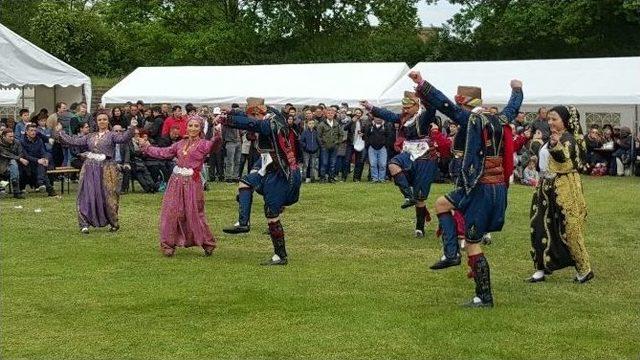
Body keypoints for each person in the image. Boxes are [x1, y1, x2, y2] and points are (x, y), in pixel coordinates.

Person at [409, 70, 523, 307]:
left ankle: (484, 296)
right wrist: (517, 89)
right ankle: (451, 253)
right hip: (495, 187)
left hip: (480, 187)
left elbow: (444, 104)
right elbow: (513, 107)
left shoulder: (471, 120)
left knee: (472, 242)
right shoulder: (501, 120)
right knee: (441, 204)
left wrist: (421, 83)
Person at [221, 98, 302, 266]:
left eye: (252, 113)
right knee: (245, 182)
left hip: (282, 174)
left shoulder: (270, 123)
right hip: (269, 167)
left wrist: (226, 120)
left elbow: (250, 124)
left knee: (272, 215)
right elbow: (249, 117)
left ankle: (280, 256)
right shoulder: (273, 115)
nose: (250, 116)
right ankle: (243, 223)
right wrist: (231, 112)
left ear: (259, 112)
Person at [528, 105, 594, 284]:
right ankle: (540, 268)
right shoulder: (552, 137)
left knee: (570, 228)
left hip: (564, 187)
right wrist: (536, 142)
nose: (550, 122)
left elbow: (564, 156)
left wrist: (555, 145)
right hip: (545, 187)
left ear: (564, 121)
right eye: (548, 119)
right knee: (539, 226)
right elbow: (542, 158)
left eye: (554, 119)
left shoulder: (568, 139)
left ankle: (584, 269)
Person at [139, 115, 222, 256]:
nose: (193, 128)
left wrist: (217, 133)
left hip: (192, 183)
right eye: (190, 125)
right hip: (175, 182)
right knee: (171, 212)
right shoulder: (180, 144)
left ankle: (207, 243)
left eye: (196, 126)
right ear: (187, 127)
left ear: (201, 128)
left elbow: (214, 145)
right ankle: (167, 245)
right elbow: (163, 153)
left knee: (194, 213)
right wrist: (147, 147)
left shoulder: (203, 144)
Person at [361, 90, 440, 238]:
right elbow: (388, 115)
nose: (405, 110)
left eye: (408, 107)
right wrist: (371, 107)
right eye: (404, 107)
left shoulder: (424, 117)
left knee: (421, 196)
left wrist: (424, 92)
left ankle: (419, 227)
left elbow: (432, 109)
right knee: (392, 165)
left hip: (425, 156)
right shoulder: (404, 118)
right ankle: (408, 196)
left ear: (417, 105)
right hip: (408, 153)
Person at [54, 112, 137, 233]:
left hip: (107, 169)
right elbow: (73, 141)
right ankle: (84, 223)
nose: (102, 121)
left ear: (108, 121)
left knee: (108, 195)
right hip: (90, 168)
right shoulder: (90, 136)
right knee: (87, 194)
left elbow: (123, 138)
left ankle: (113, 221)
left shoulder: (112, 135)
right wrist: (60, 132)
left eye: (104, 119)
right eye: (99, 119)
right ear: (96, 122)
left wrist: (132, 127)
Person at [19, 124, 57, 196]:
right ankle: (46, 187)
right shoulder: (22, 141)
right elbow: (26, 156)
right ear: (26, 132)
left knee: (44, 161)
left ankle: (41, 183)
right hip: (28, 163)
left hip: (39, 162)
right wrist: (38, 160)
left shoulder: (39, 140)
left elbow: (43, 151)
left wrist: (45, 159)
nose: (33, 132)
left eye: (35, 131)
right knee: (41, 166)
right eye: (31, 130)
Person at [0, 128, 27, 199]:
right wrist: (19, 158)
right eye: (10, 136)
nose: (12, 138)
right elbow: (5, 154)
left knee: (13, 164)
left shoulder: (17, 142)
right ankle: (16, 192)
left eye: (13, 136)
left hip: (15, 165)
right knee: (13, 163)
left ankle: (12, 190)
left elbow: (21, 153)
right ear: (4, 136)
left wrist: (18, 158)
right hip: (2, 164)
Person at [300, 118, 320, 183]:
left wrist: (317, 147)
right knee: (306, 165)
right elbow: (301, 141)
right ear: (307, 124)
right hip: (306, 151)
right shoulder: (304, 132)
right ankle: (303, 178)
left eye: (312, 123)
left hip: (314, 151)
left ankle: (313, 178)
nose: (311, 125)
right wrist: (306, 146)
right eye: (310, 123)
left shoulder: (315, 132)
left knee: (313, 165)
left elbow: (318, 141)